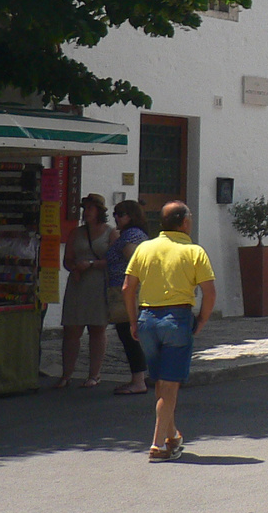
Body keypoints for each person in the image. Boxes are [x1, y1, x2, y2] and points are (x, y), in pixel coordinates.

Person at [123, 200, 215, 462]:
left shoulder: (144, 248)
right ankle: (157, 444)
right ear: (184, 222)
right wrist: (202, 320)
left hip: (147, 319)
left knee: (162, 383)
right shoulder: (194, 251)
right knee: (170, 386)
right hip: (177, 318)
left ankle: (172, 434)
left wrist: (132, 321)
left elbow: (127, 288)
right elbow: (210, 293)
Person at [56, 193, 115, 388]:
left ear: (99, 211)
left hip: (98, 283)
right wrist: (74, 268)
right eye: (85, 208)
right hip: (78, 284)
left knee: (97, 329)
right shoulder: (76, 233)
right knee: (72, 329)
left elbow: (114, 261)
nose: (86, 212)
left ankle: (94, 374)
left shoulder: (110, 233)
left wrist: (91, 264)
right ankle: (67, 373)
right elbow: (67, 259)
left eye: (90, 208)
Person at [106, 200, 151, 395]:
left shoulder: (131, 236)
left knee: (129, 334)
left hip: (126, 292)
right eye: (115, 213)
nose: (117, 217)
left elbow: (134, 264)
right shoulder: (128, 235)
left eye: (121, 213)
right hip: (123, 290)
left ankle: (138, 380)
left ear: (131, 216)